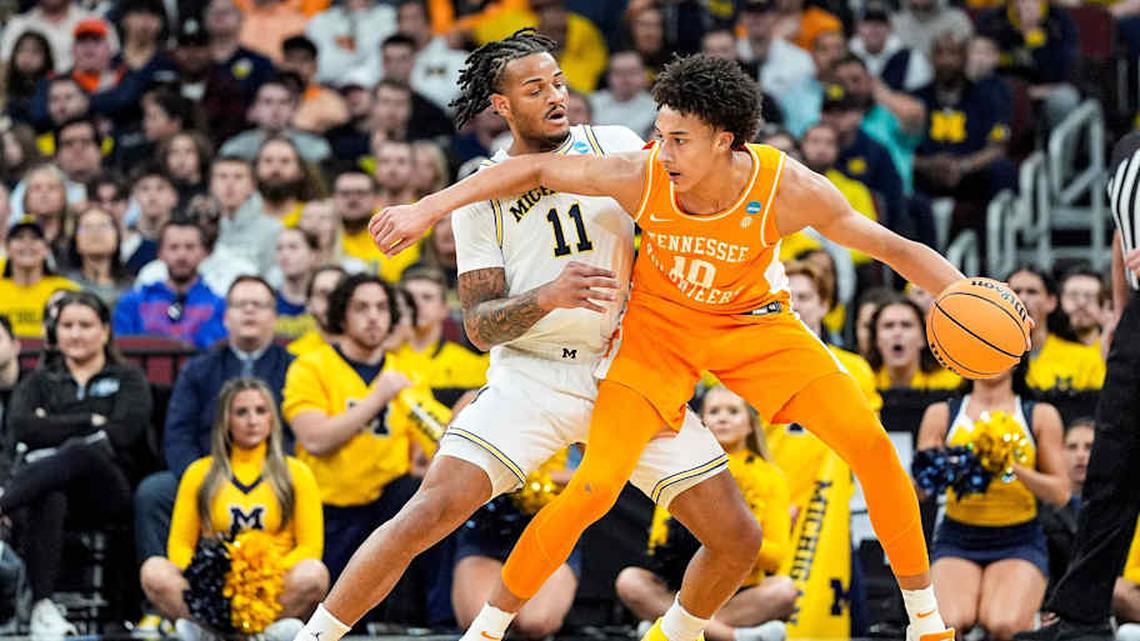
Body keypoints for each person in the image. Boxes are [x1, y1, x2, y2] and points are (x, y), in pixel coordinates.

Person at [372, 51, 996, 641]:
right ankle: (488, 629)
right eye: (660, 133)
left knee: (872, 446)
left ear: (725, 139)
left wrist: (964, 295)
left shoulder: (788, 187)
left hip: (754, 326)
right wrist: (427, 209)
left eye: (678, 139)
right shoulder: (642, 174)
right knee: (592, 487)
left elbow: (895, 249)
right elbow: (529, 168)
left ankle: (924, 619)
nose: (660, 150)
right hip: (660, 331)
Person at [294, 31, 749, 641]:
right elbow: (480, 327)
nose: (556, 96)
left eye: (558, 82)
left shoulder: (613, 144)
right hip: (530, 376)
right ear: (501, 105)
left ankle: (676, 634)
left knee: (737, 536)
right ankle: (314, 636)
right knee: (426, 513)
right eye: (535, 89)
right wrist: (548, 296)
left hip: (626, 372)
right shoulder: (478, 196)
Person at [1012, 132, 1140, 641]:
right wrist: (1119, 312)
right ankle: (1082, 614)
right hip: (1136, 323)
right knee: (1113, 467)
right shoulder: (1127, 150)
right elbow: (1121, 235)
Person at [4, 291, 150, 639]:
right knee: (52, 490)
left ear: (104, 330)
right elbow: (23, 426)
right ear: (55, 333)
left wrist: (55, 427)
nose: (76, 334)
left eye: (85, 325)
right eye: (67, 325)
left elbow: (124, 433)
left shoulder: (129, 378)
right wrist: (92, 421)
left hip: (109, 491)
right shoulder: (39, 381)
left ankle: (2, 503)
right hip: (51, 492)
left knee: (79, 453)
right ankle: (43, 607)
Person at [140, 378, 327, 641]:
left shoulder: (297, 473)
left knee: (314, 573)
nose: (252, 420)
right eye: (242, 412)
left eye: (261, 411)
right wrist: (217, 575)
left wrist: (258, 576)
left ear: (272, 419)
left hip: (272, 587)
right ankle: (223, 632)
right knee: (154, 570)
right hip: (215, 587)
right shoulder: (199, 472)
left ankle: (247, 634)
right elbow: (179, 547)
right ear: (226, 420)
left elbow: (310, 547)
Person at [133, 274, 296, 569]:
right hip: (208, 471)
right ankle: (165, 597)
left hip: (274, 474)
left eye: (258, 305)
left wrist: (268, 474)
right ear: (226, 316)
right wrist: (202, 479)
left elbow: (299, 435)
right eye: (241, 304)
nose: (249, 311)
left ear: (274, 316)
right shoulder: (199, 368)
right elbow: (177, 434)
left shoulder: (295, 368)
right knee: (153, 492)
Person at [616, 386, 797, 641]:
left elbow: (776, 557)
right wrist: (689, 540)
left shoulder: (770, 477)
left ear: (749, 425)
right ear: (700, 423)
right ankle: (734, 637)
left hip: (740, 591)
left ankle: (668, 630)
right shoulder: (677, 469)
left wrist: (731, 540)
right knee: (630, 581)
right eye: (714, 411)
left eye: (733, 411)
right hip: (685, 586)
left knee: (784, 590)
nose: (723, 418)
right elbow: (657, 541)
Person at [917, 357, 1069, 640]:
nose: (990, 358)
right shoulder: (941, 414)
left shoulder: (1038, 414)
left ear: (1016, 360)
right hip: (958, 537)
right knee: (948, 622)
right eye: (981, 350)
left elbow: (1060, 491)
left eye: (999, 351)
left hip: (1019, 539)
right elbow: (920, 491)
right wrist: (960, 464)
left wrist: (1010, 466)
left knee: (1003, 623)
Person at [113, 220, 227, 349]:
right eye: (173, 247)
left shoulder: (220, 306)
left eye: (190, 247)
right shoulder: (132, 303)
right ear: (160, 253)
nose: (181, 255)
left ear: (204, 253)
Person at [0, 219, 80, 338]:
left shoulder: (66, 290)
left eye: (35, 238)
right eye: (19, 238)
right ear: (7, 248)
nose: (27, 244)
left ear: (47, 249)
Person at [867, 294, 962, 390]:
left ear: (923, 339)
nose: (897, 333)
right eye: (888, 326)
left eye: (906, 325)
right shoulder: (863, 382)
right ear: (876, 339)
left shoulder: (949, 383)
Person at [286, 265, 345, 356]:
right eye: (323, 294)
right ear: (309, 304)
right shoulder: (294, 355)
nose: (332, 301)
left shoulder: (370, 350)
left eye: (339, 293)